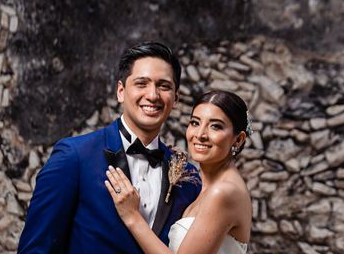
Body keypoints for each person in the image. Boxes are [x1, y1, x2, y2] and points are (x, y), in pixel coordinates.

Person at [18, 41, 200, 253]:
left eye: (164, 86)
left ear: (176, 98)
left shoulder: (188, 178)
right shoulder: (74, 157)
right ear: (121, 91)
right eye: (141, 83)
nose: (153, 95)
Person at [104, 90, 252, 254]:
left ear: (238, 139)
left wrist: (132, 216)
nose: (200, 134)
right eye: (195, 123)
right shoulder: (203, 184)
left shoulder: (223, 192)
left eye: (215, 126)